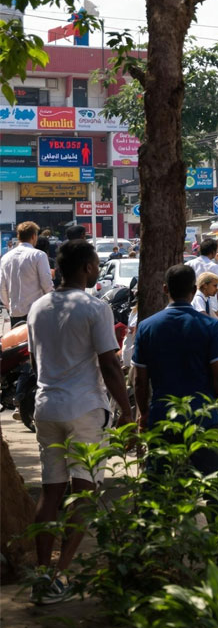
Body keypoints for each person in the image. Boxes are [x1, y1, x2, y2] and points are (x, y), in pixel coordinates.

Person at [25, 240, 132, 604]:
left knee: (51, 490)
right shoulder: (94, 307)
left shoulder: (37, 307)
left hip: (46, 407)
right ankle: (59, 575)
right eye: (97, 262)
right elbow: (109, 364)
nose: (98, 267)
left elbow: (35, 365)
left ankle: (42, 573)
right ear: (86, 267)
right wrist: (129, 412)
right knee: (85, 492)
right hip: (83, 408)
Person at [133, 264, 218, 521]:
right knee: (214, 485)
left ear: (165, 289)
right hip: (204, 419)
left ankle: (155, 544)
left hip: (163, 418)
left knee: (157, 484)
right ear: (194, 291)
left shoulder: (147, 327)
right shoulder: (209, 327)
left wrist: (143, 413)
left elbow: (138, 379)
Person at [0, 222, 54, 327]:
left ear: (18, 236)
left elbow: (2, 287)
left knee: (18, 343)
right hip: (37, 312)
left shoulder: (5, 258)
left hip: (15, 313)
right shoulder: (39, 255)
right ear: (34, 236)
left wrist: (9, 306)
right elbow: (47, 284)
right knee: (38, 343)